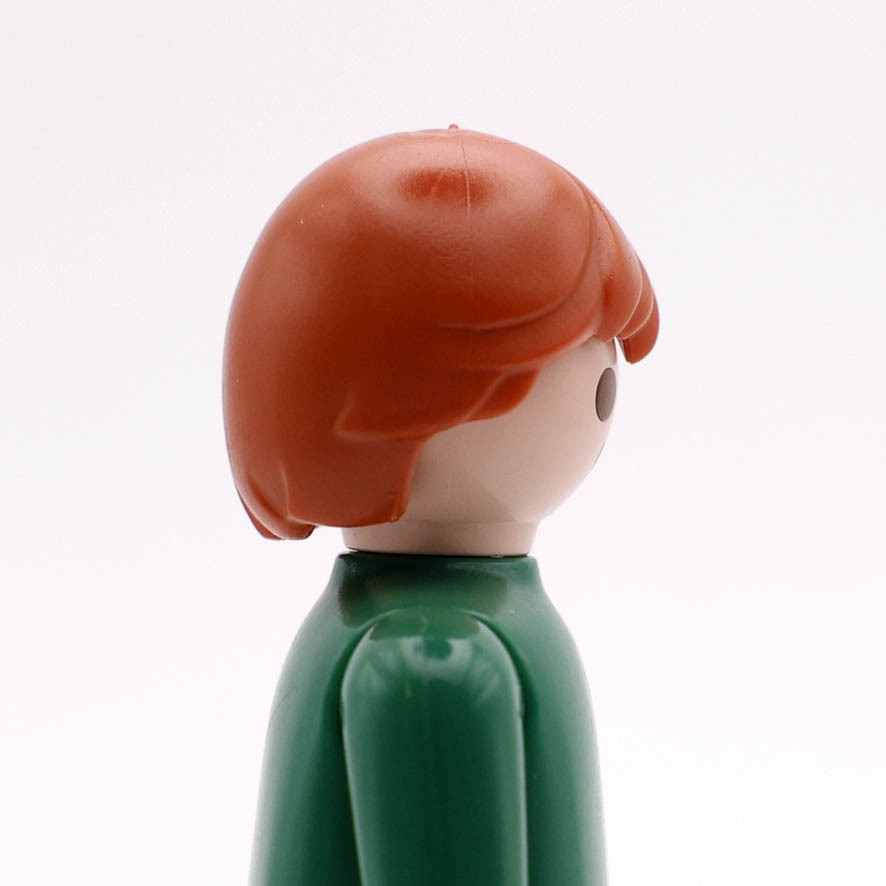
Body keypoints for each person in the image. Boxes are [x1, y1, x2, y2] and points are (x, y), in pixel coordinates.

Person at [224, 126, 659, 886]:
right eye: (595, 372)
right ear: (418, 405)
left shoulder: (412, 620)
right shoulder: (435, 661)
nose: (607, 391)